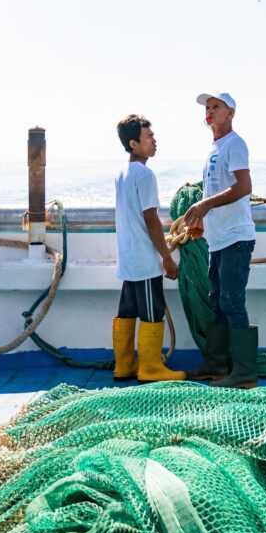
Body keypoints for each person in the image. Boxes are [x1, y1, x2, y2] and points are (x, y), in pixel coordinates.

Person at [183, 93, 259, 389]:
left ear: (231, 113)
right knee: (217, 301)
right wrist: (202, 218)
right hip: (218, 239)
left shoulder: (235, 144)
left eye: (217, 107)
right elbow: (212, 189)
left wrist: (204, 207)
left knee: (232, 302)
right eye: (208, 107)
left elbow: (244, 186)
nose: (210, 111)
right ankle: (216, 364)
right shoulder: (215, 147)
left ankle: (244, 373)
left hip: (236, 237)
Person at [112, 114, 184, 383]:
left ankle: (124, 366)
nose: (154, 141)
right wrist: (167, 258)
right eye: (148, 137)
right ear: (133, 143)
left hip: (128, 258)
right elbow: (151, 219)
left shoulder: (122, 173)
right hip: (144, 260)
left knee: (127, 311)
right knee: (152, 311)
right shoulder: (144, 174)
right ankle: (151, 368)